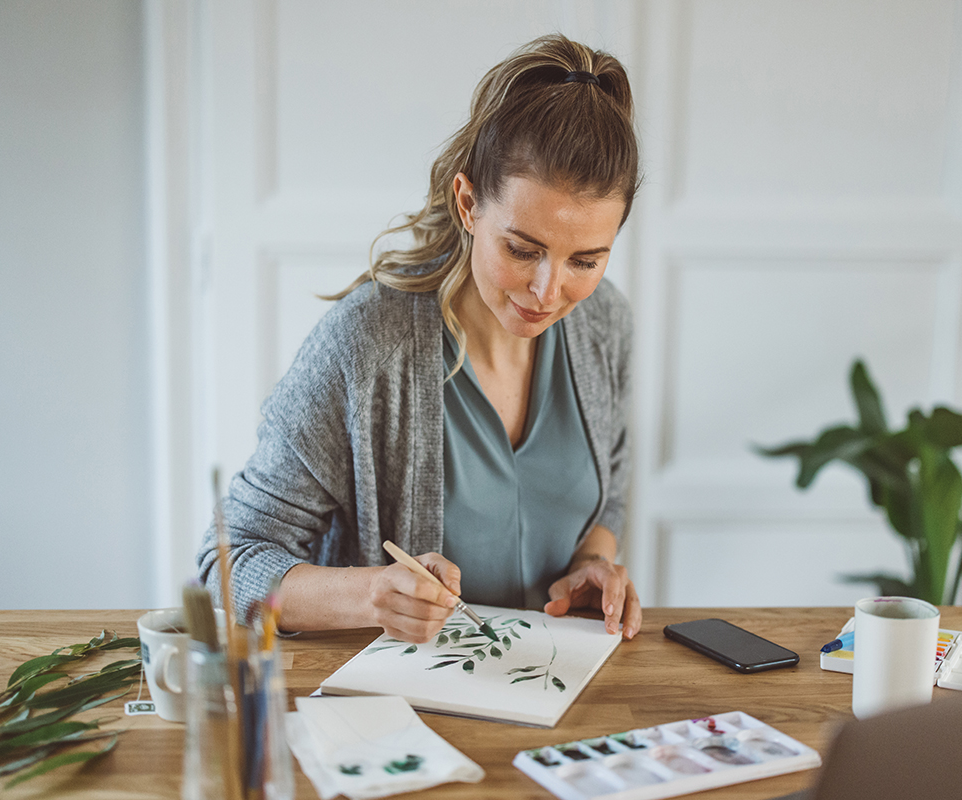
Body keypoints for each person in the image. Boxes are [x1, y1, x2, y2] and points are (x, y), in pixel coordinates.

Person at [197, 34, 642, 645]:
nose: (548, 291)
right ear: (467, 203)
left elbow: (606, 498)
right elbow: (228, 563)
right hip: (397, 721)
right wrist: (372, 595)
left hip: (555, 707)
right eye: (522, 249)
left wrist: (592, 564)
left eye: (586, 261)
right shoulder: (366, 345)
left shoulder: (605, 325)